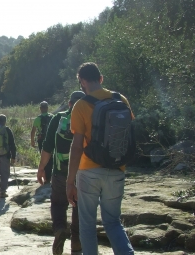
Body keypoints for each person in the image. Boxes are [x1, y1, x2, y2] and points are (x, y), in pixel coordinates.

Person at [67, 62, 134, 255]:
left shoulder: (80, 106)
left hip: (88, 171)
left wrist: (70, 182)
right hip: (117, 168)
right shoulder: (121, 99)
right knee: (113, 221)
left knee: (87, 224)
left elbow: (77, 146)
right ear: (101, 79)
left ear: (82, 82)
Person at [36, 93, 85, 255]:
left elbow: (48, 146)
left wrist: (41, 167)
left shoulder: (58, 118)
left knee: (57, 204)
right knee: (78, 206)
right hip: (81, 173)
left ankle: (59, 229)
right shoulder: (88, 118)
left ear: (69, 104)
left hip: (60, 173)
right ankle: (76, 242)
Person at [31, 101, 54, 184]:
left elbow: (33, 131)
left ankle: (46, 178)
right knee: (51, 158)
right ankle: (50, 177)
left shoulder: (38, 118)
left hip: (42, 140)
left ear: (40, 109)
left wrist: (32, 141)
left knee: (43, 158)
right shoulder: (52, 117)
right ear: (47, 108)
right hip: (52, 140)